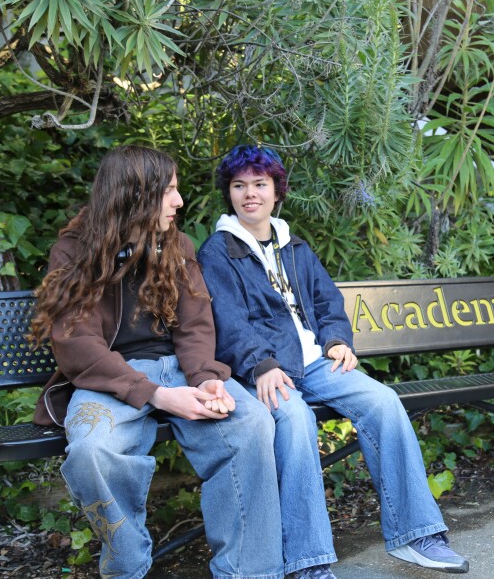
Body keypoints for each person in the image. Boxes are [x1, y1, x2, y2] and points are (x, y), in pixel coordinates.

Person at [197, 145, 470, 578]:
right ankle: (308, 562)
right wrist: (261, 364)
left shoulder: (294, 246)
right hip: (265, 370)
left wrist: (337, 339)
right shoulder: (218, 251)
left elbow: (327, 301)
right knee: (297, 422)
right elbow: (225, 320)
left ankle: (416, 534)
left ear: (276, 191)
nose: (250, 194)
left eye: (260, 184)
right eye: (239, 185)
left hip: (316, 362)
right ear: (228, 193)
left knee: (383, 401)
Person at [28, 145, 284, 578]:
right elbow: (75, 342)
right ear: (135, 193)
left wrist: (204, 378)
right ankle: (127, 566)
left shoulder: (176, 244)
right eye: (169, 191)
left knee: (252, 423)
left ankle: (249, 572)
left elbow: (195, 324)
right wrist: (158, 396)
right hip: (109, 380)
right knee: (92, 450)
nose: (179, 202)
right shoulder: (75, 251)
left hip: (181, 370)